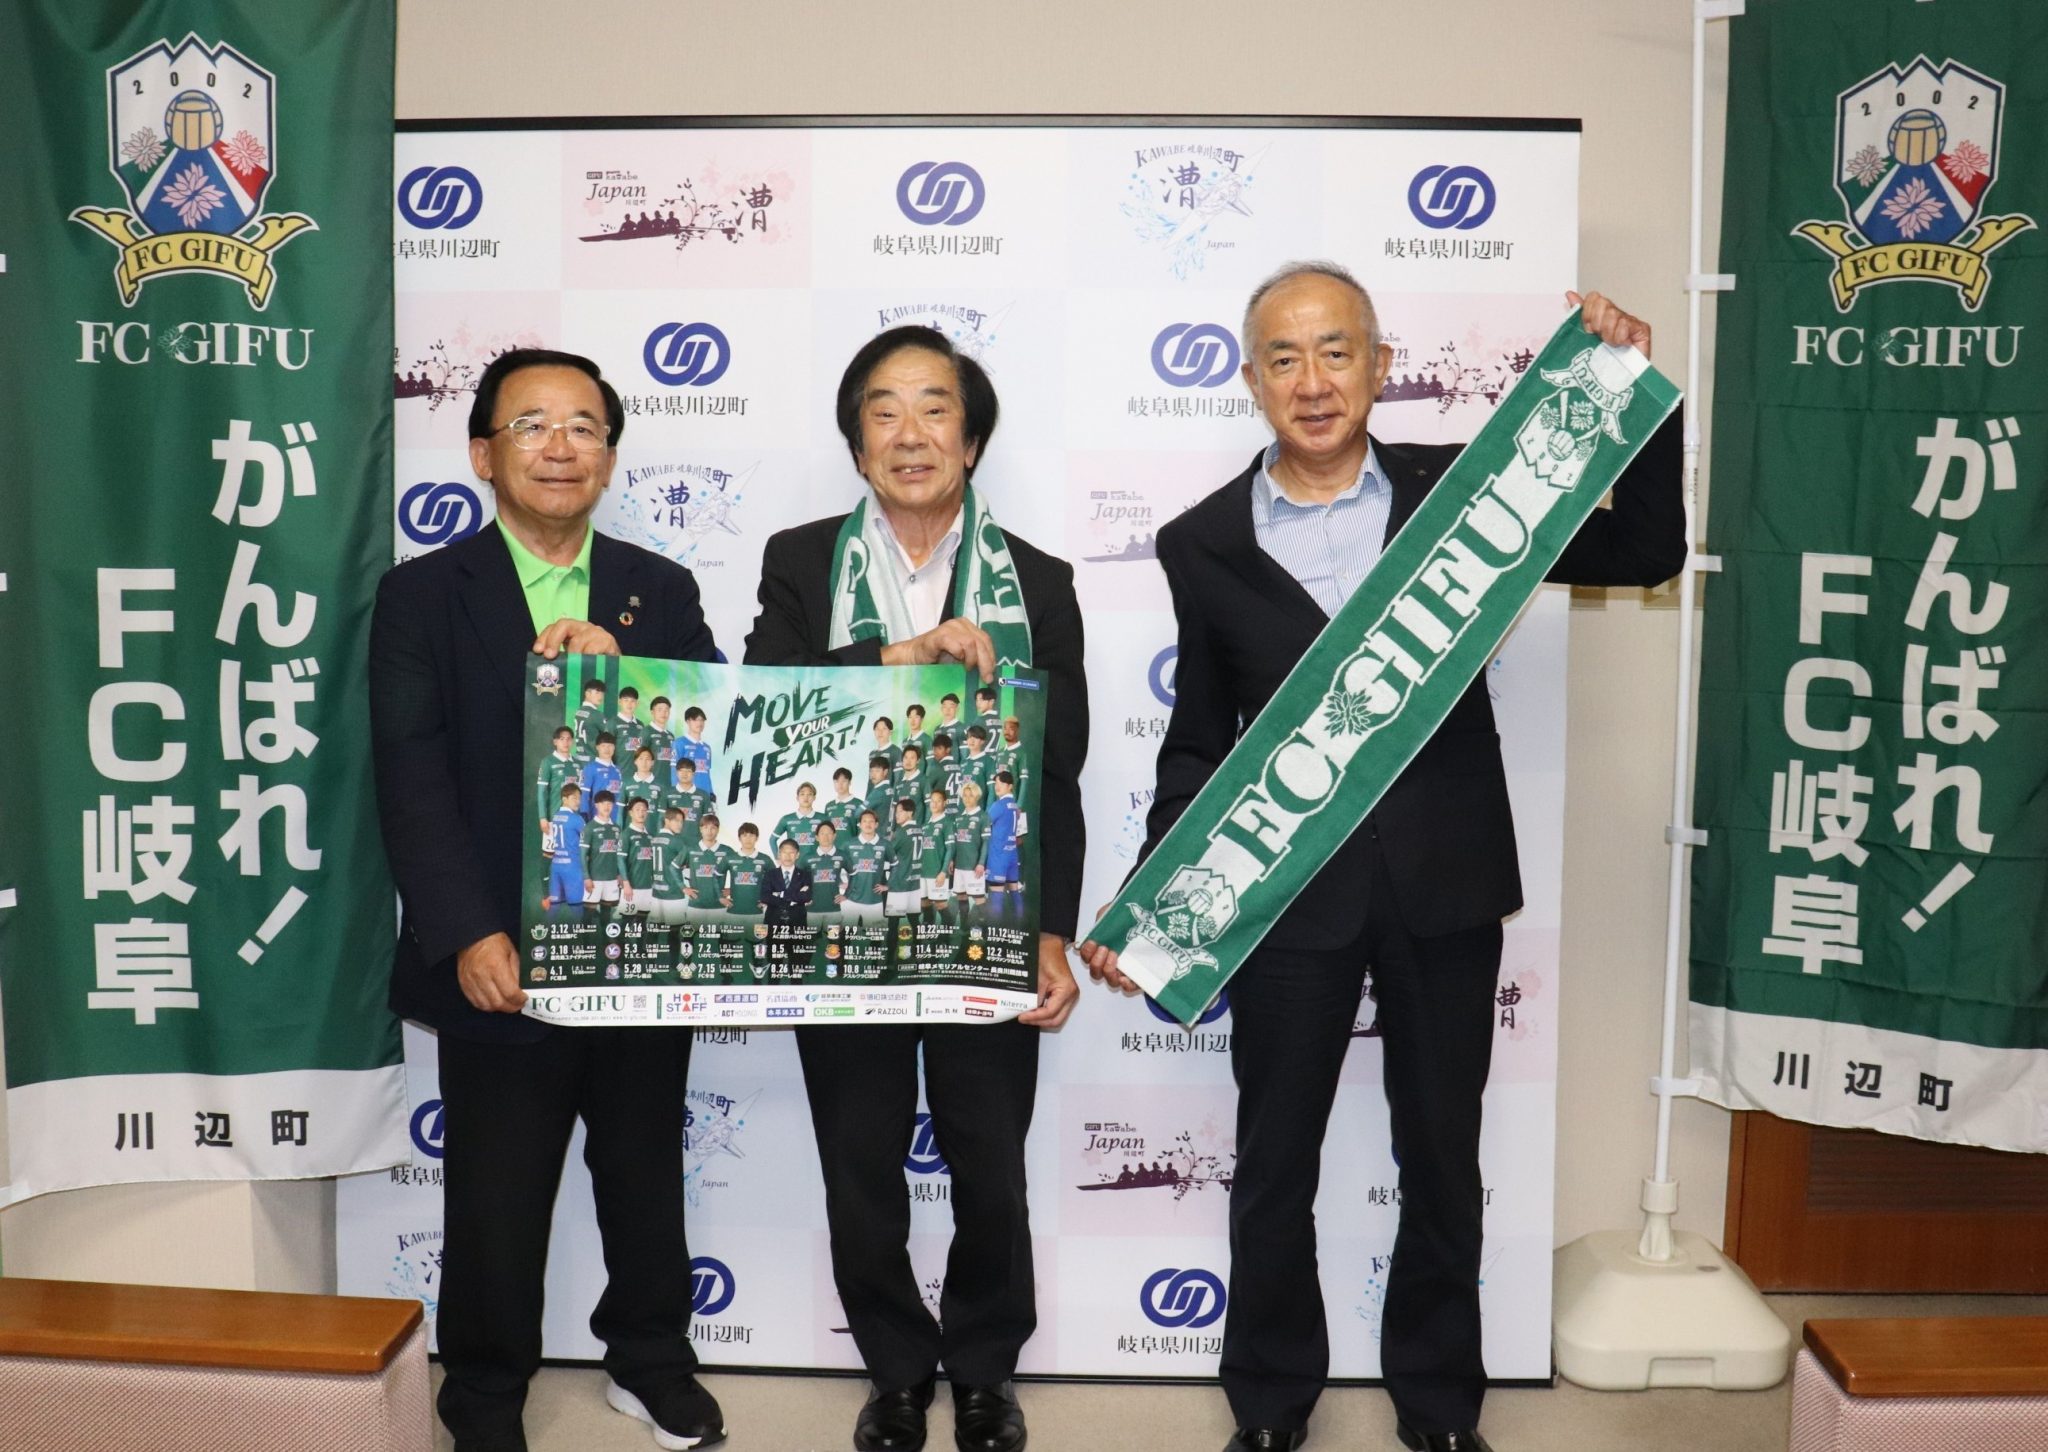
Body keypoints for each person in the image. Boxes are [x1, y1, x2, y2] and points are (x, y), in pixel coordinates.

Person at [1080, 267, 1683, 1452]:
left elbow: (1647, 550)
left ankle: (1439, 1408)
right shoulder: (1200, 541)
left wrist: (1634, 389)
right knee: (1272, 1167)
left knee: (1441, 1161)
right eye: (1284, 359)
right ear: (1250, 381)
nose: (1312, 381)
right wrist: (1159, 901)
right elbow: (1197, 737)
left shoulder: (1465, 498)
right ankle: (1268, 1407)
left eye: (1334, 351)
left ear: (1379, 364)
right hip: (1282, 896)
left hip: (1442, 883)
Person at [370, 346, 724, 1452]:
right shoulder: (423, 593)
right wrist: (467, 930)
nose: (559, 446)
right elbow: (410, 777)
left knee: (644, 1170)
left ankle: (650, 1360)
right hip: (502, 956)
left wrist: (626, 671)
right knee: (496, 1191)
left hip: (640, 948)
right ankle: (482, 1393)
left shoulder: (660, 590)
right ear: (483, 453)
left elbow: (713, 747)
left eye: (583, 427)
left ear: (610, 457)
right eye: (531, 425)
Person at [744, 325, 1087, 1452]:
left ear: (971, 439)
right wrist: (893, 663)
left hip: (984, 913)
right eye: (883, 411)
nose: (910, 433)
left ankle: (984, 1368)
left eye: (935, 408)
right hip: (839, 917)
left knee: (989, 1163)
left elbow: (1058, 770)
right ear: (856, 445)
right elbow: (763, 713)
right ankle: (895, 1370)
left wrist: (1050, 932)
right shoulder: (801, 562)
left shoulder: (1039, 581)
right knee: (859, 1160)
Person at [843, 809, 891, 927]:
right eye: (864, 821)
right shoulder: (848, 844)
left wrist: (888, 886)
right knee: (841, 933)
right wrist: (841, 882)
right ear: (859, 824)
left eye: (871, 821)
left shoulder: (885, 844)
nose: (868, 824)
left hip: (874, 900)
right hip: (850, 899)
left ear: (876, 824)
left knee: (875, 935)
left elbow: (896, 866)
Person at [808, 819, 849, 924]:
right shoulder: (807, 857)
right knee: (812, 934)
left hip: (834, 910)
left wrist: (847, 894)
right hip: (812, 910)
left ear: (834, 836)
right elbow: (796, 877)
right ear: (817, 837)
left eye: (829, 833)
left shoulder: (842, 855)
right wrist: (803, 896)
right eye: (822, 833)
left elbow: (855, 874)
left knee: (832, 935)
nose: (825, 837)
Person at [763, 837, 811, 927]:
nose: (788, 856)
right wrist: (796, 896)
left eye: (791, 853)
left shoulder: (805, 875)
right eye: (784, 852)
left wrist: (780, 894)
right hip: (773, 921)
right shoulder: (770, 874)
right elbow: (765, 897)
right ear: (779, 854)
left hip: (797, 922)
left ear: (797, 855)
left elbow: (806, 896)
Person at [773, 781, 825, 862]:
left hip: (816, 864)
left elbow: (833, 840)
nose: (806, 797)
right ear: (797, 798)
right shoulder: (787, 819)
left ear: (814, 798)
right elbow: (772, 840)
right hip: (794, 865)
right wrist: (778, 858)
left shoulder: (823, 818)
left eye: (809, 794)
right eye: (802, 794)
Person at [675, 705, 714, 795]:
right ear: (688, 721)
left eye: (702, 720)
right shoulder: (679, 743)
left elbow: (707, 773)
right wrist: (676, 793)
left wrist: (711, 792)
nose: (699, 723)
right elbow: (674, 770)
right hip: (686, 793)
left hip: (704, 794)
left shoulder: (707, 748)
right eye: (695, 719)